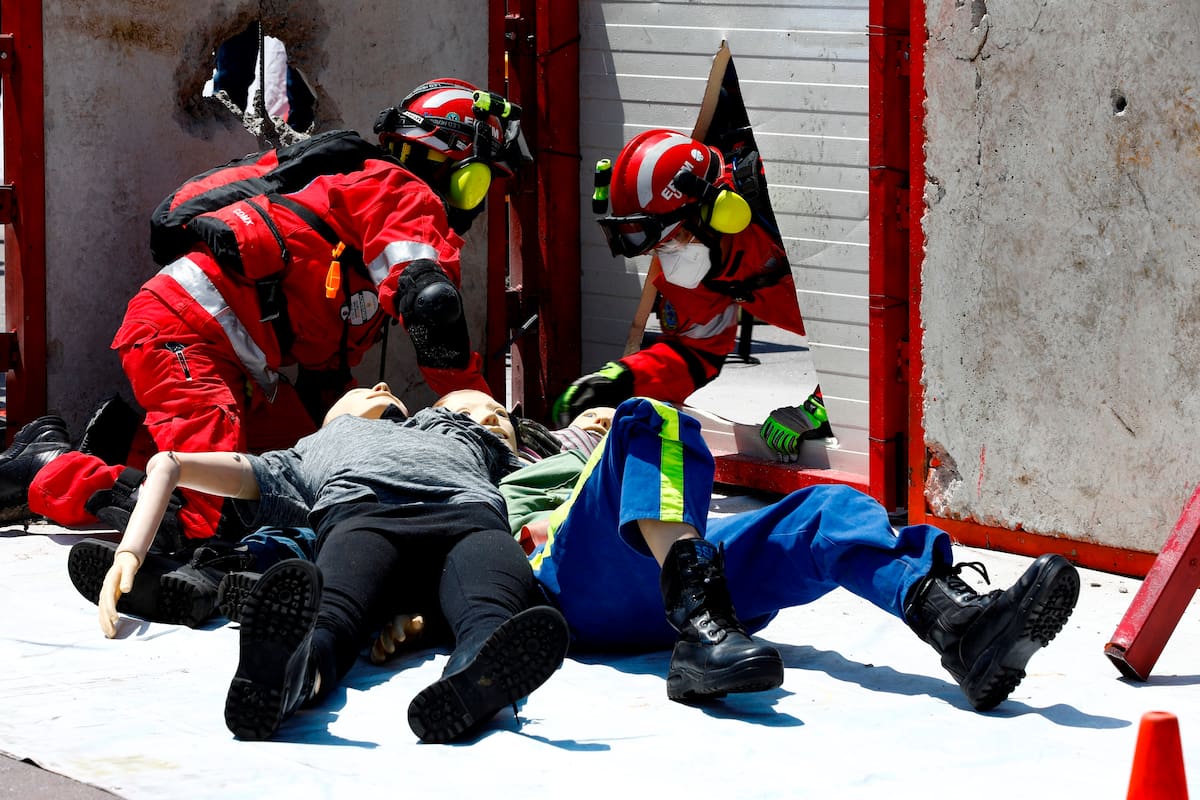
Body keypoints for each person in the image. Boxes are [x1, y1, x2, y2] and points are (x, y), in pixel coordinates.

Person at [0, 77, 525, 605]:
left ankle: (130, 445)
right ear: (454, 163)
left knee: (293, 492)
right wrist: (474, 419)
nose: (477, 204)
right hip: (186, 336)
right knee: (207, 516)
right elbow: (429, 301)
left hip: (222, 356)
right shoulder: (402, 192)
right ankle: (48, 470)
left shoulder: (357, 217)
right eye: (481, 182)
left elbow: (327, 376)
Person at [385, 392, 1080, 711]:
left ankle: (954, 623)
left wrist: (592, 431)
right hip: (579, 583)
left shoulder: (572, 444)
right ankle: (701, 627)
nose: (486, 419)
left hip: (686, 561)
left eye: (497, 411)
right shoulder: (491, 474)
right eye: (470, 413)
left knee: (826, 508)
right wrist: (406, 615)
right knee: (650, 419)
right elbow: (447, 550)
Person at [90, 382, 569, 744]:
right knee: (332, 615)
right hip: (365, 518)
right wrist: (129, 552)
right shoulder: (304, 453)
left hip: (470, 519)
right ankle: (292, 677)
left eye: (496, 415)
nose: (381, 386)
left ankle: (474, 678)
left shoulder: (471, 439)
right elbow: (170, 464)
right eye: (362, 390)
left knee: (493, 611)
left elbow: (563, 470)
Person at [552, 128, 831, 460]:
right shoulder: (703, 249)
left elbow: (890, 304)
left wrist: (824, 405)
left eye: (669, 242)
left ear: (715, 211)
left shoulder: (789, 200)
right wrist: (624, 380)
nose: (666, 257)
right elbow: (695, 352)